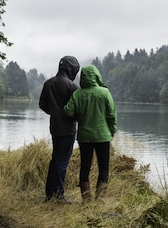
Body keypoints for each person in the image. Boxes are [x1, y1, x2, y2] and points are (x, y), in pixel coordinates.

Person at [63, 65, 117, 201]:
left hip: (84, 137)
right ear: (97, 76)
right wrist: (112, 131)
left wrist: (80, 114)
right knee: (103, 168)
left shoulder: (78, 94)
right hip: (103, 136)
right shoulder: (105, 93)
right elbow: (112, 115)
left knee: (85, 167)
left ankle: (86, 200)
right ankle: (100, 200)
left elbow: (68, 111)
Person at [39, 55, 81, 203]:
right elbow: (78, 111)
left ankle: (50, 193)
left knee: (55, 159)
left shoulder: (48, 83)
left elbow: (42, 105)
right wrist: (72, 118)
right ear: (72, 69)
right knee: (62, 161)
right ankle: (59, 195)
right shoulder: (72, 87)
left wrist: (55, 113)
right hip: (68, 129)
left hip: (55, 127)